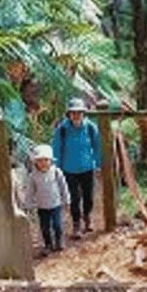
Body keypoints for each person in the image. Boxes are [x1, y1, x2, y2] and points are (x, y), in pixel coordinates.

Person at [53, 97, 102, 239]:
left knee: (89, 196)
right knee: (74, 198)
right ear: (69, 114)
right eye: (73, 113)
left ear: (83, 114)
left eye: (79, 112)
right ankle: (76, 224)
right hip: (69, 170)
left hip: (87, 168)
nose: (76, 115)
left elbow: (97, 147)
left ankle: (87, 216)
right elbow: (56, 149)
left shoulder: (91, 128)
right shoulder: (62, 130)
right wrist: (57, 169)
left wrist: (98, 165)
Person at [26, 144, 70, 256]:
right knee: (45, 227)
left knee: (57, 225)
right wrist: (29, 205)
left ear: (51, 160)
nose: (43, 163)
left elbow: (63, 186)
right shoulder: (33, 176)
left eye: (46, 160)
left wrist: (67, 199)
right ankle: (48, 244)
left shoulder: (56, 172)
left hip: (56, 204)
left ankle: (59, 241)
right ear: (35, 162)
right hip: (42, 206)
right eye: (40, 160)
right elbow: (30, 191)